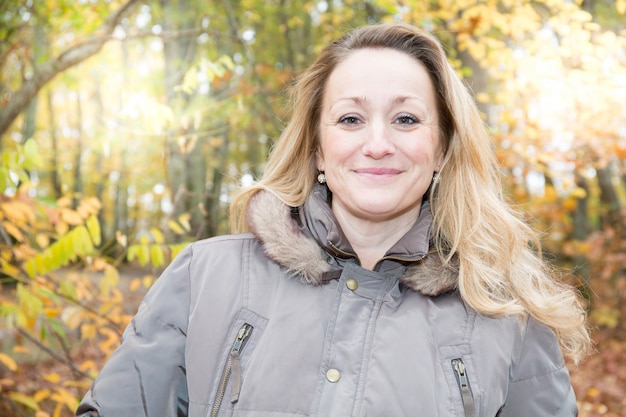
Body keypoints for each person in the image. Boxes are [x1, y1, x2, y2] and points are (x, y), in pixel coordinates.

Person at [76, 22, 590, 417]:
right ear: (318, 149)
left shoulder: (508, 316)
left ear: (441, 149)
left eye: (406, 118)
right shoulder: (204, 276)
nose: (378, 143)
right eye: (350, 118)